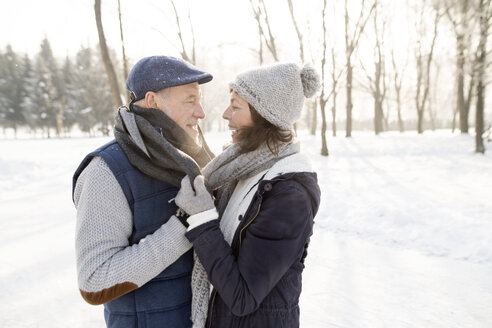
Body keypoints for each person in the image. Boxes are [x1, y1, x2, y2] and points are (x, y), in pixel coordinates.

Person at [72, 55, 214, 328]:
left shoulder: (194, 161)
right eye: (189, 100)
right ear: (152, 102)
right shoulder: (106, 170)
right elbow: (94, 280)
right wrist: (186, 223)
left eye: (200, 101)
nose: (201, 112)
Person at [175, 63, 322, 327]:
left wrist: (202, 217)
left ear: (264, 115)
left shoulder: (289, 194)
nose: (224, 114)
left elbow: (242, 295)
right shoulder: (242, 170)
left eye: (235, 105)